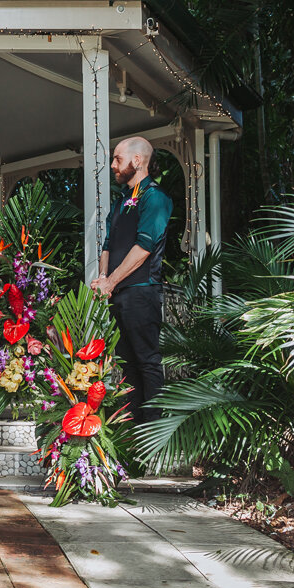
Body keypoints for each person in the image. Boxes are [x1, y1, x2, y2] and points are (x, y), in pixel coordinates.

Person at [91, 136, 173, 424]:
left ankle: (153, 433)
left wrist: (110, 282)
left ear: (137, 161)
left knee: (147, 362)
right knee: (125, 365)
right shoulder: (121, 200)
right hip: (116, 294)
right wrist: (102, 278)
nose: (113, 165)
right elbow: (108, 245)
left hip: (141, 292)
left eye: (117, 158)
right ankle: (133, 431)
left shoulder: (155, 197)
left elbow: (144, 247)